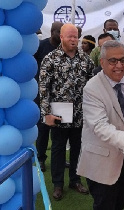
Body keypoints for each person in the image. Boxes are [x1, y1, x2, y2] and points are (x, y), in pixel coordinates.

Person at [77, 40, 124, 210]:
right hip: (102, 162)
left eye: (123, 60)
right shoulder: (92, 88)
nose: (119, 65)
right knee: (104, 205)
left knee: (120, 203)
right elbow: (100, 126)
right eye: (113, 61)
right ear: (102, 62)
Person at [39, 23, 94, 200]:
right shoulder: (50, 59)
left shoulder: (86, 60)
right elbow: (43, 88)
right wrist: (46, 112)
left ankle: (75, 180)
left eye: (75, 36)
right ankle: (57, 184)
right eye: (69, 36)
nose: (73, 39)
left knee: (78, 147)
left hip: (80, 113)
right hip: (58, 113)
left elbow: (93, 86)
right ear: (61, 37)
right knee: (58, 148)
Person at [34, 21, 64, 172]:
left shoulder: (64, 48)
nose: (62, 36)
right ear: (53, 32)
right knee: (43, 129)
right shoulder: (40, 47)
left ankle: (59, 159)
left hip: (60, 96)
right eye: (60, 32)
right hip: (42, 95)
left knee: (60, 130)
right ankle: (40, 158)